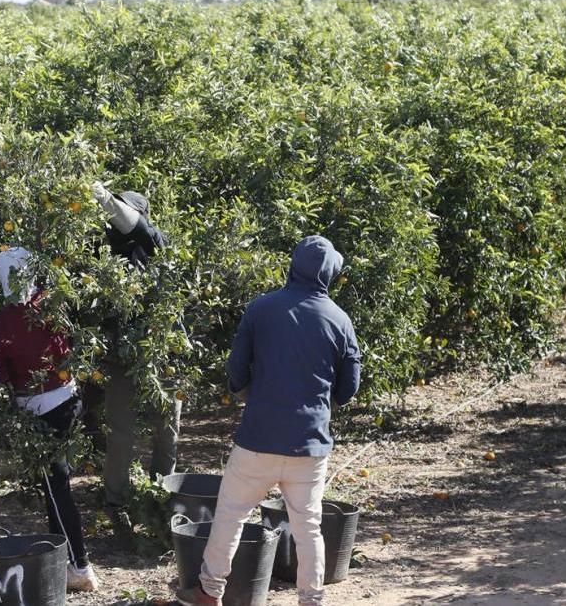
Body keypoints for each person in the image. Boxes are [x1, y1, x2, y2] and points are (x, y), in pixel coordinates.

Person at [177, 236, 361, 606]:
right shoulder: (340, 320)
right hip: (309, 445)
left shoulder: (261, 308)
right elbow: (349, 386)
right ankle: (311, 599)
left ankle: (209, 591)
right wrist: (325, 405)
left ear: (293, 267)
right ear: (328, 274)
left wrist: (247, 394)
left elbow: (235, 368)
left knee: (229, 515)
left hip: (258, 438)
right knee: (308, 526)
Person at [0, 247, 100, 592]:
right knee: (56, 484)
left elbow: (1, 373)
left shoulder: (4, 321)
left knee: (56, 488)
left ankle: (80, 566)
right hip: (69, 401)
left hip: (41, 411)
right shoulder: (52, 302)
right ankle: (66, 562)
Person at [85, 181, 181, 540]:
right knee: (121, 433)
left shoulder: (155, 244)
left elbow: (138, 228)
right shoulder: (106, 254)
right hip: (121, 357)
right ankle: (116, 504)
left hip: (161, 353)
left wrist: (105, 199)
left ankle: (162, 496)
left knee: (165, 430)